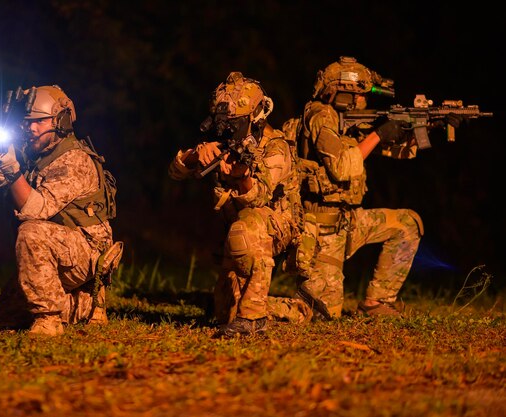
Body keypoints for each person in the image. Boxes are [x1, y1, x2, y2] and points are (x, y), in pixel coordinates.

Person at [283, 56, 458, 318]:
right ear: (343, 93)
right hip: (320, 229)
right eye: (361, 94)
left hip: (349, 220)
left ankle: (378, 302)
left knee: (408, 224)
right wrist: (380, 134)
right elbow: (341, 166)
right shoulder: (322, 117)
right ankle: (256, 307)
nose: (364, 101)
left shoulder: (345, 122)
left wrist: (430, 125)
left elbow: (394, 150)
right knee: (323, 312)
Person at [168, 72, 314, 337]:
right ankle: (291, 309)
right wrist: (194, 156)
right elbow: (175, 173)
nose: (227, 128)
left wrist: (242, 177)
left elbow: (258, 196)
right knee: (224, 313)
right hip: (239, 228)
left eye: (235, 122)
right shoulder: (224, 142)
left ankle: (253, 318)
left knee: (250, 222)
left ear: (256, 116)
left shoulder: (276, 147)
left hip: (277, 226)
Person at [0, 85, 123, 336]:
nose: (31, 128)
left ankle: (49, 319)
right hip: (62, 244)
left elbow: (36, 209)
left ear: (60, 120)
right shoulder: (38, 155)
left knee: (30, 232)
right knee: (2, 319)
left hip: (88, 250)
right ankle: (84, 305)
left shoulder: (73, 159)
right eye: (27, 122)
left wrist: (13, 173)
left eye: (39, 121)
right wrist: (1, 175)